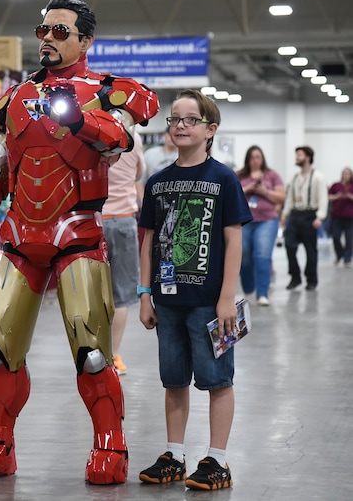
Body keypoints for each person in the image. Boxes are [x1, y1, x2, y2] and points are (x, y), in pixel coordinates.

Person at [0, 0, 159, 485]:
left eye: (60, 31)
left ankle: (110, 444)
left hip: (79, 236)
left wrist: (80, 119)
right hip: (21, 237)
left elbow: (121, 137)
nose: (47, 38)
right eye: (42, 30)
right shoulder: (15, 97)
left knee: (92, 351)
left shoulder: (111, 91)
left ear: (86, 40)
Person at [137, 89, 252, 490]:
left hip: (209, 302)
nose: (180, 125)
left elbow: (233, 240)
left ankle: (217, 459)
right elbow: (148, 240)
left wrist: (226, 297)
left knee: (217, 378)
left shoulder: (223, 179)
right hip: (167, 302)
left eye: (190, 119)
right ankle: (175, 453)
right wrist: (144, 293)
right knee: (173, 380)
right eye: (174, 119)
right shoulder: (157, 183)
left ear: (210, 129)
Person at [102, 132, 145, 375]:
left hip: (94, 220)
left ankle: (94, 354)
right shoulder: (134, 138)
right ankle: (114, 356)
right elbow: (138, 174)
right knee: (120, 295)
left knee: (93, 293)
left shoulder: (91, 132)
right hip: (124, 221)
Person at [236, 145, 286, 306]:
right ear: (247, 159)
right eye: (252, 157)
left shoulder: (272, 176)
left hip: (267, 221)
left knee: (262, 256)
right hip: (244, 221)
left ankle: (263, 293)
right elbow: (230, 195)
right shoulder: (239, 175)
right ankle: (248, 288)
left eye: (258, 157)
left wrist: (265, 191)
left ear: (262, 158)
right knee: (244, 258)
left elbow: (281, 197)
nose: (255, 160)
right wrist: (247, 188)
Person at [280, 145, 329, 291]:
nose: (297, 158)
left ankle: (311, 280)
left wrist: (320, 217)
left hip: (310, 215)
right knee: (289, 245)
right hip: (295, 215)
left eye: (299, 155)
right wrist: (284, 215)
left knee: (310, 250)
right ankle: (295, 277)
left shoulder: (318, 177)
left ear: (307, 157)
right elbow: (290, 199)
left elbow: (323, 198)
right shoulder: (295, 178)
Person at [328, 166, 353, 267]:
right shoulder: (336, 185)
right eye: (344, 173)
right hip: (337, 216)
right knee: (335, 236)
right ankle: (339, 254)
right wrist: (336, 196)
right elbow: (328, 196)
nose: (345, 175)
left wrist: (350, 197)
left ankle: (347, 259)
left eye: (347, 173)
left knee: (349, 238)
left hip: (350, 217)